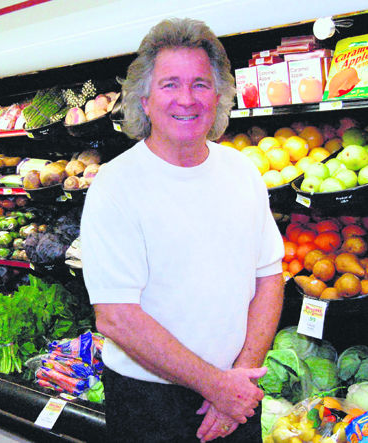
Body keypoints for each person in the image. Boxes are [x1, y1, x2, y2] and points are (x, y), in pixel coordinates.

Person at [80, 17, 284, 442]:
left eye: (200, 84)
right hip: (149, 405)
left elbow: (269, 277)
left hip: (237, 390)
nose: (187, 99)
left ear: (219, 96)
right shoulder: (116, 186)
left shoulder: (242, 171)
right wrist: (214, 385)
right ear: (145, 100)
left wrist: (240, 375)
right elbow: (116, 317)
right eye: (170, 84)